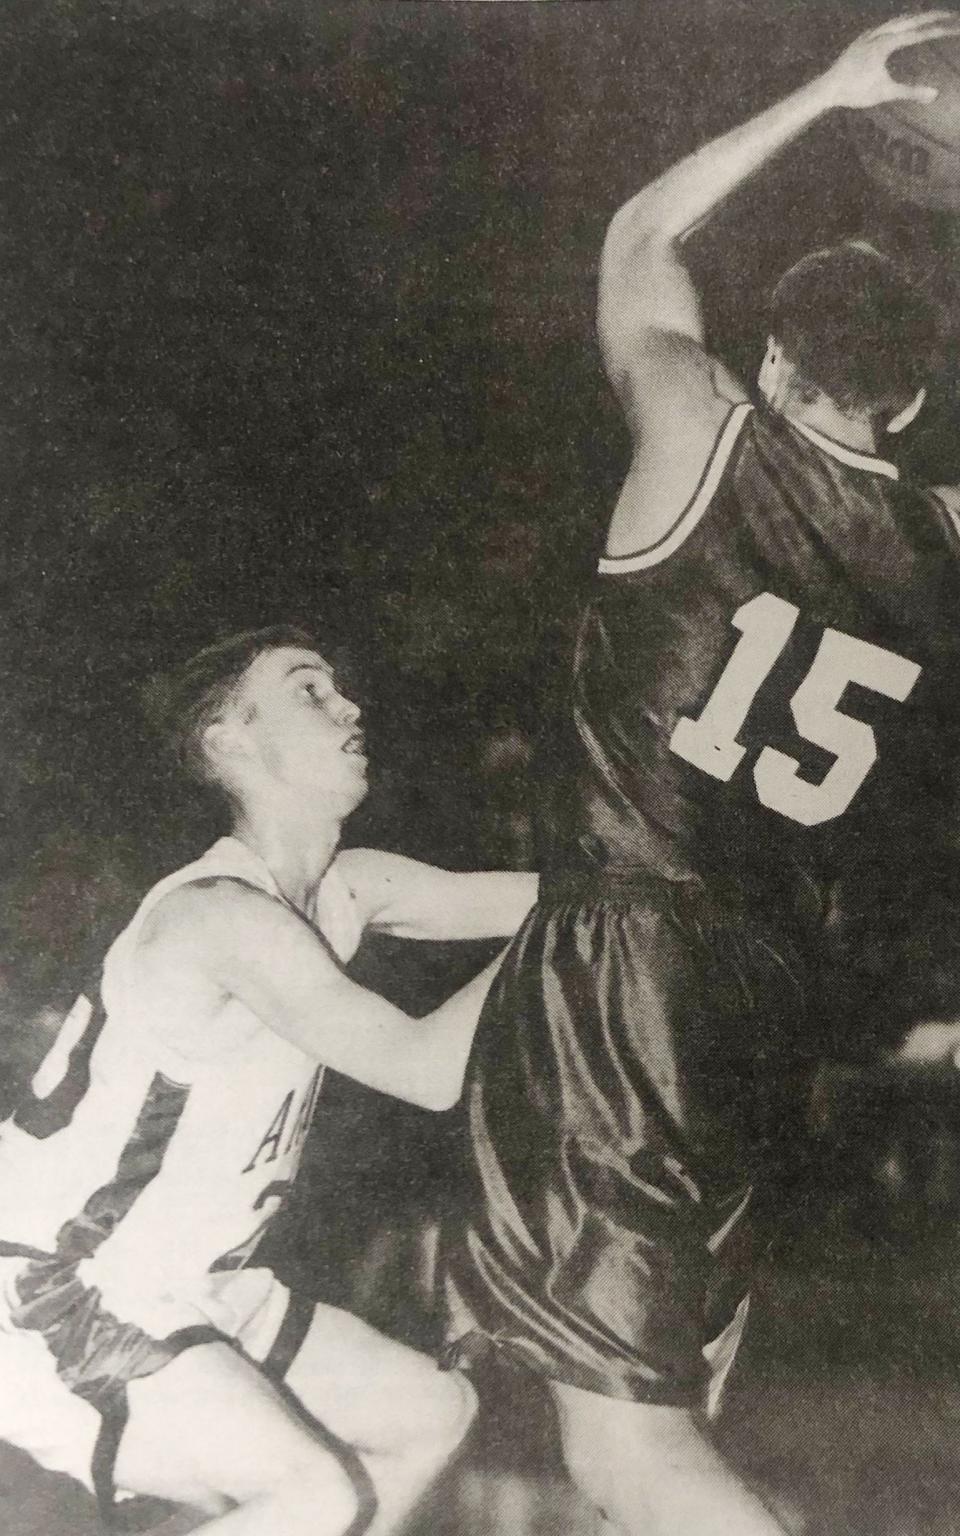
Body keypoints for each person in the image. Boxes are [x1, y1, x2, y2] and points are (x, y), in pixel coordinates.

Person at [440, 14, 960, 1536]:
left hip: (633, 960)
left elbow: (642, 229)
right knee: (665, 1401)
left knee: (627, 1458)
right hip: (771, 988)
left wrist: (832, 88)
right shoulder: (942, 540)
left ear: (773, 360)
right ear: (915, 407)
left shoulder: (696, 429)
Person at [0, 625, 537, 1535]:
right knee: (315, 1493)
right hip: (55, 1286)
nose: (349, 706)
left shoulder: (343, 889)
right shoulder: (219, 916)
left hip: (189, 1282)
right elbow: (423, 1070)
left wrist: (685, 858)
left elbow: (568, 900)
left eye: (339, 686)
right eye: (308, 691)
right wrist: (554, 944)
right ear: (227, 742)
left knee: (429, 1416)